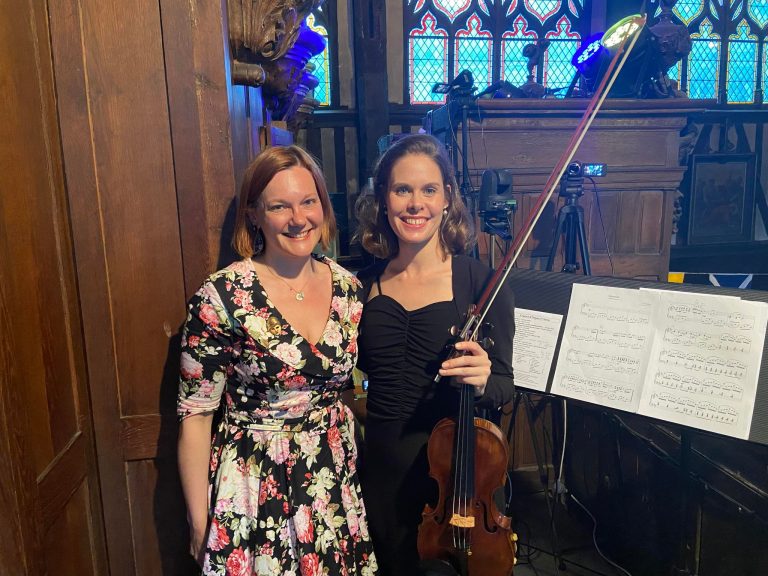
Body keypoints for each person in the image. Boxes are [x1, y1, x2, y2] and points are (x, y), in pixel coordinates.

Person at [177, 145, 378, 575]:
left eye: (309, 202)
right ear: (254, 215)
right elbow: (195, 415)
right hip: (254, 485)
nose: (298, 218)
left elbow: (353, 386)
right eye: (280, 206)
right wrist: (199, 520)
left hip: (331, 482)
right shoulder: (221, 297)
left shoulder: (349, 289)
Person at [355, 134, 516, 576]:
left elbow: (505, 386)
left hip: (455, 479)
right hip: (381, 472)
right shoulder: (362, 284)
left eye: (428, 190)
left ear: (448, 198)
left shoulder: (481, 283)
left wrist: (484, 378)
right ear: (383, 199)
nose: (414, 204)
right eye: (401, 190)